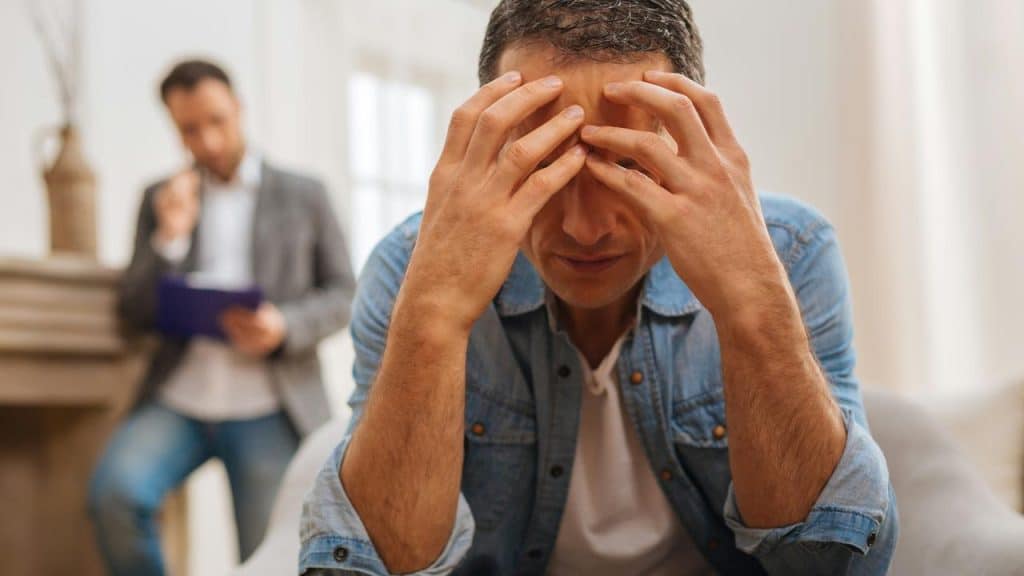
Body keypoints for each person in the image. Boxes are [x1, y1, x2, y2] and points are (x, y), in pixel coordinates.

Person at [300, 1, 898, 574]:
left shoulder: (791, 253)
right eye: (543, 165)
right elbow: (370, 568)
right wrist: (433, 317)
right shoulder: (408, 268)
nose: (584, 229)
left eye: (629, 165)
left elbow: (836, 562)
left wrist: (750, 302)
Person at [88, 59, 356, 575]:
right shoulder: (160, 199)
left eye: (217, 121)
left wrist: (283, 325)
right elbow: (133, 311)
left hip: (268, 406)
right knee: (114, 495)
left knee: (266, 555)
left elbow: (345, 293)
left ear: (238, 108)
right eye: (189, 129)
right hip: (179, 400)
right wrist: (170, 237)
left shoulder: (304, 195)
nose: (207, 141)